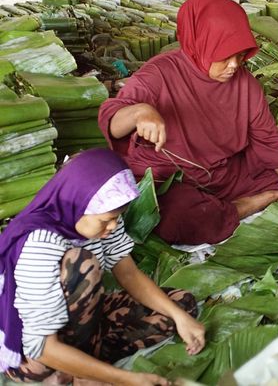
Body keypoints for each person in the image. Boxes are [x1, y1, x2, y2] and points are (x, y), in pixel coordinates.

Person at [98, 0, 278, 245]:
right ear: (200, 44)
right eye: (224, 55)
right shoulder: (160, 74)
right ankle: (243, 207)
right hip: (171, 179)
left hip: (225, 173)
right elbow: (112, 122)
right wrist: (139, 112)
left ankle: (228, 206)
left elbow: (269, 143)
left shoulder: (245, 84)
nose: (234, 65)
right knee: (178, 219)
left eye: (240, 54)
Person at [0, 149, 204, 386]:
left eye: (117, 217)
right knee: (81, 263)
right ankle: (77, 370)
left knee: (181, 305)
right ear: (78, 203)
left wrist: (180, 318)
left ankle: (78, 368)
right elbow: (42, 347)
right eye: (106, 220)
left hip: (83, 323)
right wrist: (126, 379)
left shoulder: (102, 217)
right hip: (34, 353)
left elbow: (127, 273)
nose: (112, 226)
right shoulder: (40, 244)